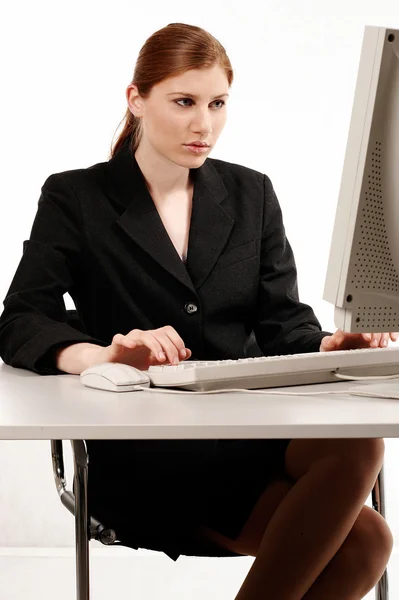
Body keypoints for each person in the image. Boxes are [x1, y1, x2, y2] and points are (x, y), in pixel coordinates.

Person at [0, 21, 396, 600]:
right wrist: (102, 353)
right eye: (183, 101)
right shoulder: (75, 197)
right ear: (136, 100)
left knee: (362, 460)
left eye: (217, 103)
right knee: (366, 542)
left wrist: (328, 348)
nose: (203, 123)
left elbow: (283, 322)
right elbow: (19, 319)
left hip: (251, 439)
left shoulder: (250, 193)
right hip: (149, 458)